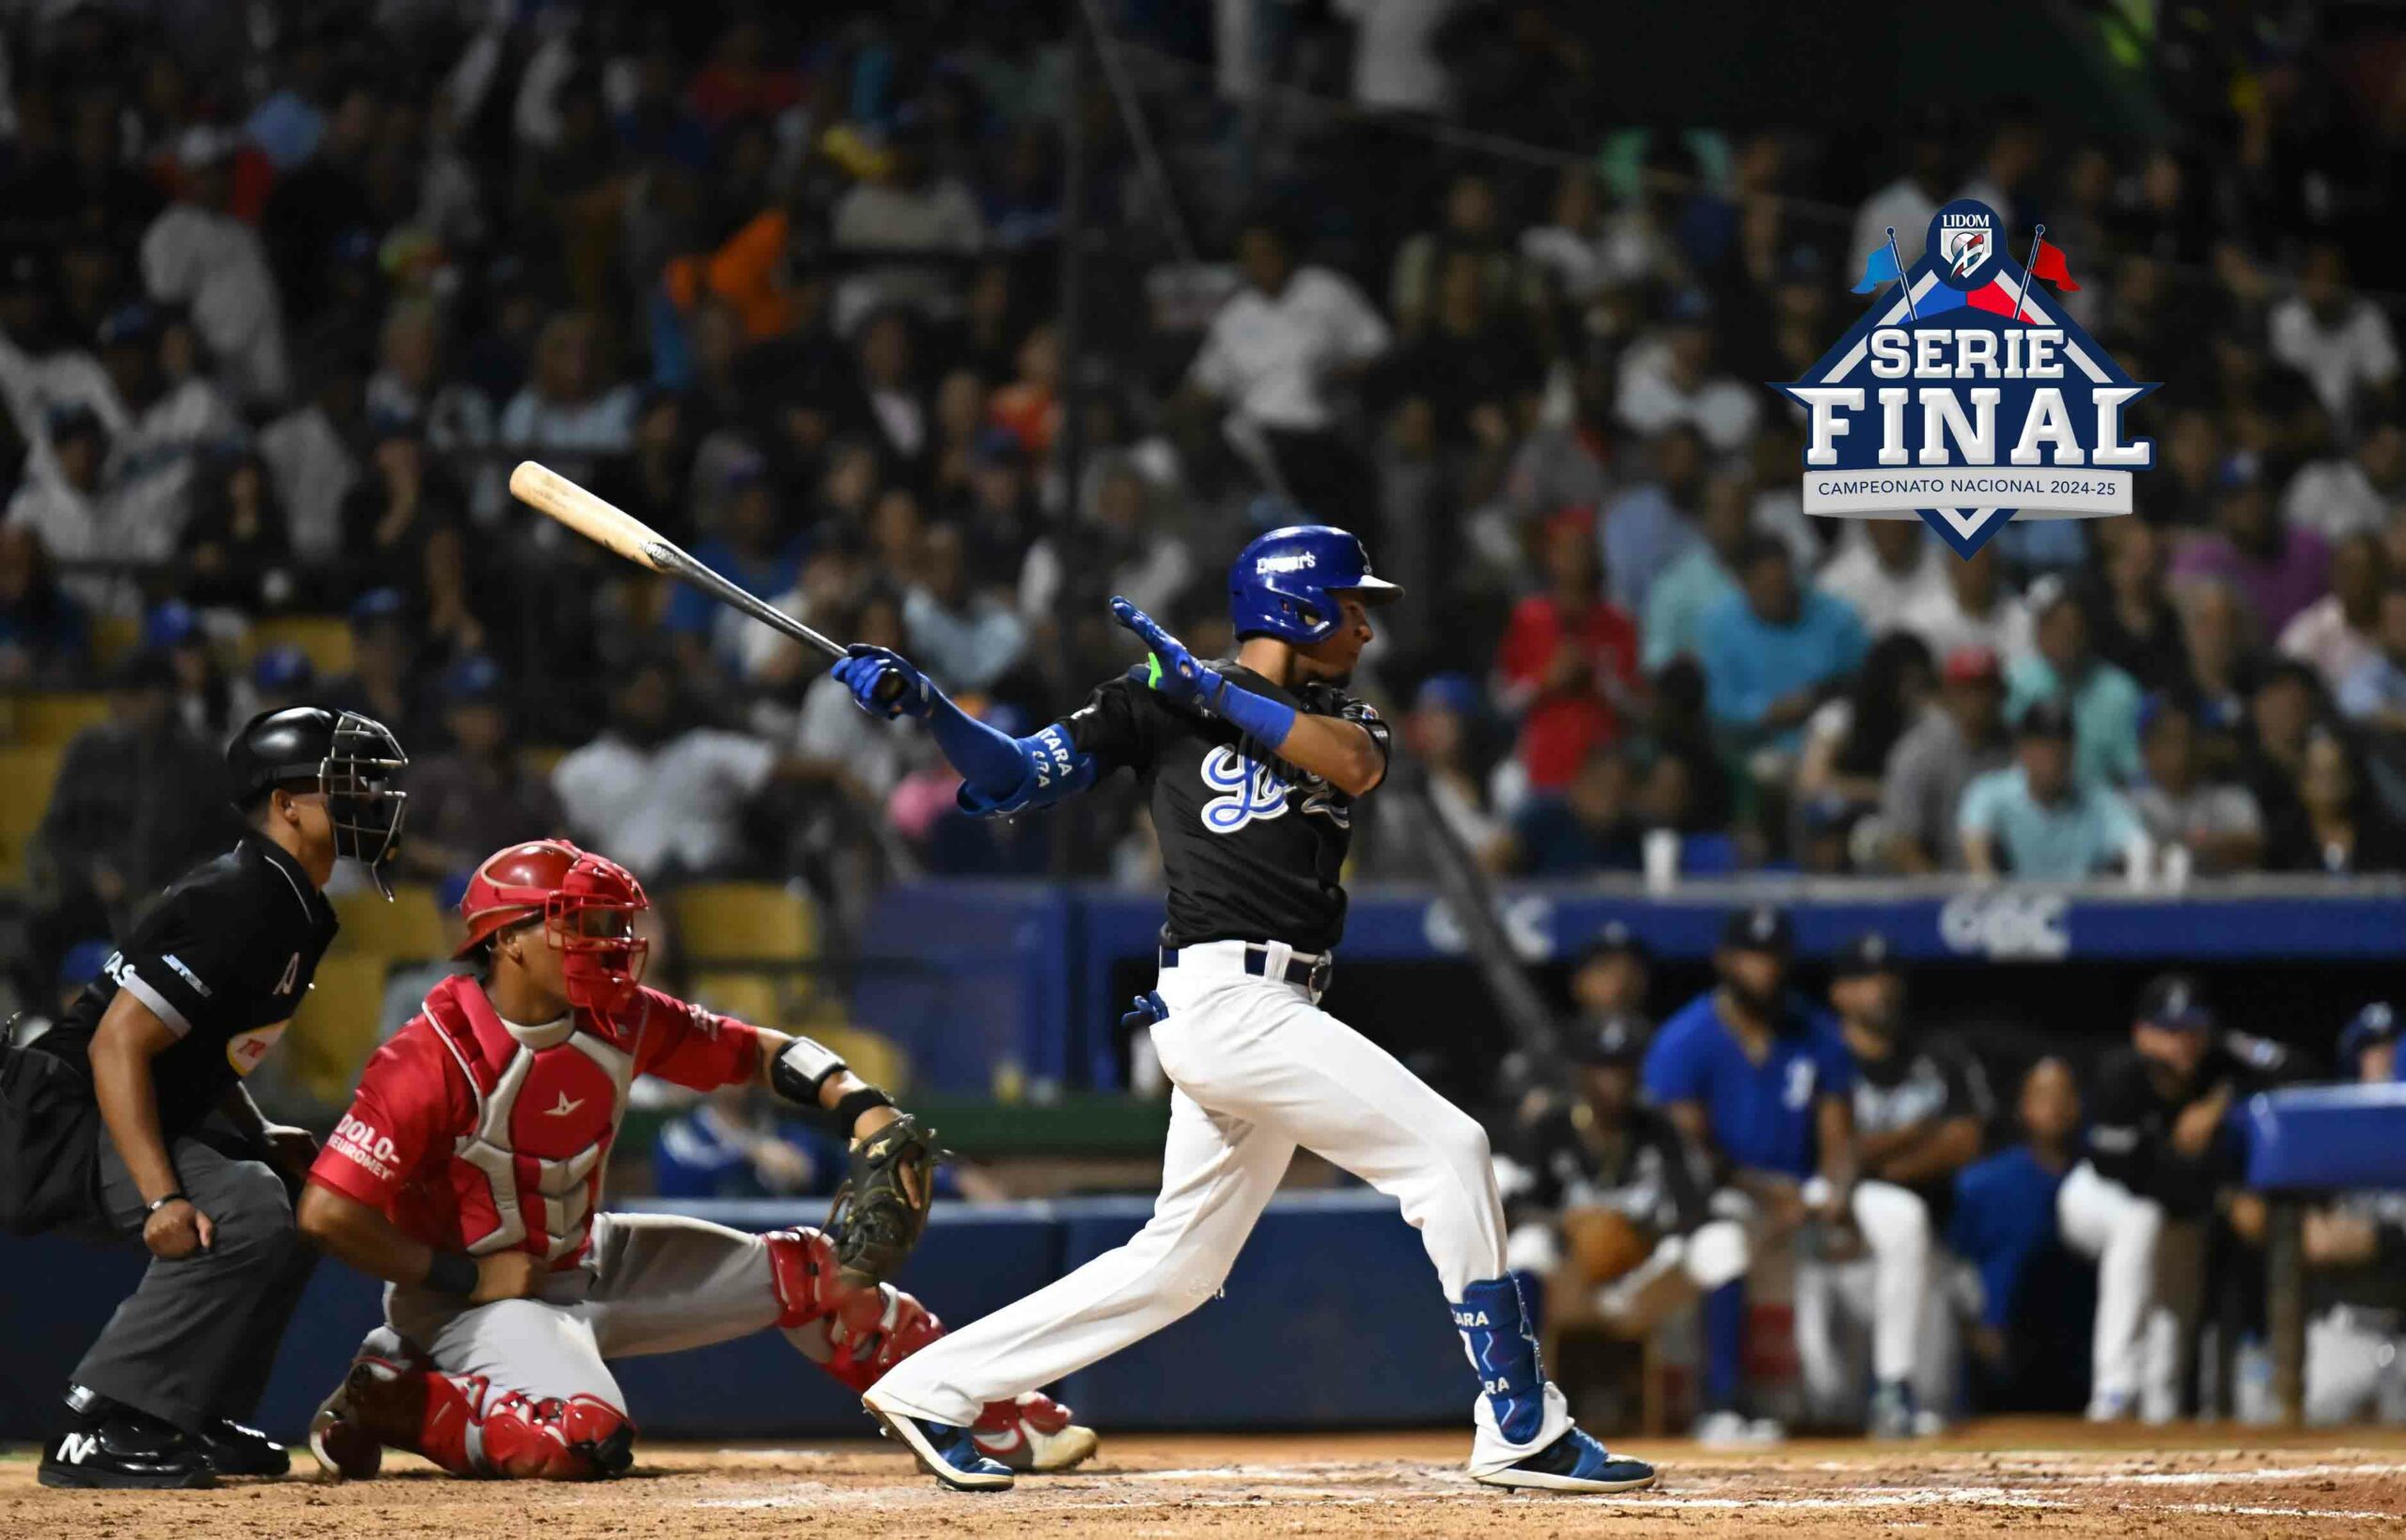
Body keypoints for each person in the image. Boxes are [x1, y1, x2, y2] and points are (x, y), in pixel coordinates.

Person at [829, 524, 1654, 1493]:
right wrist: (930, 707)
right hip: (1225, 998)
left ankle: (935, 1385)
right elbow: (1013, 774)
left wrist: (1213, 690)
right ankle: (1520, 1421)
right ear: (1296, 607)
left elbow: (1353, 766)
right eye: (1350, 606)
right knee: (1451, 1152)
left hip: (1274, 1001)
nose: (1364, 627)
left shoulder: (1343, 713)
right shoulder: (1150, 701)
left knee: (1179, 1266)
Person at [296, 840, 1095, 1482]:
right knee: (583, 1439)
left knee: (820, 1273)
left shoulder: (620, 1017)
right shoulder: (430, 1054)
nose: (607, 942)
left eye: (609, 923)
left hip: (583, 1256)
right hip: (474, 1299)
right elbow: (327, 1212)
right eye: (578, 923)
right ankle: (397, 1396)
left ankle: (974, 1407)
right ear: (505, 939)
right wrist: (466, 1278)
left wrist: (861, 1103)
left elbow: (758, 1051)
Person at [4, 707, 406, 1487]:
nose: (368, 798)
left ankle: (191, 1408)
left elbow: (203, 1043)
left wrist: (259, 1127)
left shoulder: (284, 893)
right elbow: (116, 1044)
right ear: (287, 805)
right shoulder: (242, 894)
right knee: (246, 1202)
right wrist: (162, 1197)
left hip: (117, 1107)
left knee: (299, 1189)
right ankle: (101, 1419)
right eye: (345, 782)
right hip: (63, 1117)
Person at [1643, 905, 1857, 1446]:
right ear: (1725, 960)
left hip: (1800, 1193)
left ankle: (1891, 1393)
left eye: (1773, 956)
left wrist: (1836, 1190)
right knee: (1726, 1239)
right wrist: (1768, 1192)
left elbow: (1839, 1134)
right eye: (1752, 956)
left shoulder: (1815, 1032)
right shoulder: (1687, 1038)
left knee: (1895, 1220)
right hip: (1719, 1197)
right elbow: (1691, 1153)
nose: (1764, 968)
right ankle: (1721, 1403)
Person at [1794, 933, 1988, 1436]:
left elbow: (1964, 1141)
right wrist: (1912, 1134)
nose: (1878, 988)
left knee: (1932, 1409)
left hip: (1924, 1254)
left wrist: (1880, 1168)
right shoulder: (1819, 1056)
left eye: (1886, 976)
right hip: (1833, 1242)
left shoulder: (1937, 1053)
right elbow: (1836, 1152)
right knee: (1829, 1410)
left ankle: (1893, 1390)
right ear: (1838, 993)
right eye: (1863, 978)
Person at [2056, 975, 2254, 1423]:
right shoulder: (2121, 1075)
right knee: (2142, 1219)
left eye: (2192, 1028)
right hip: (2096, 1196)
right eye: (2168, 1029)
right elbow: (2128, 1171)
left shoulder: (2218, 1074)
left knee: (2181, 1260)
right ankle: (2114, 1390)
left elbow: (2291, 1068)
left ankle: (2161, 1406)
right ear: (2142, 1033)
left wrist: (2221, 1100)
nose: (2181, 1041)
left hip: (2173, 1206)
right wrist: (2189, 1163)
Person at [1946, 1058, 2091, 1413]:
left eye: (2064, 1095)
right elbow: (1952, 1269)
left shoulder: (2099, 1184)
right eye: (2042, 1095)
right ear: (2021, 1107)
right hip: (1998, 1355)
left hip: (2080, 1358)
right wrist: (1973, 1332)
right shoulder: (1981, 1184)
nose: (2054, 1106)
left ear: (2079, 1105)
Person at [2301, 1003, 2406, 1425]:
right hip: (2344, 1333)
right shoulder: (2328, 1134)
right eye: (2371, 1048)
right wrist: (2392, 1237)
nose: (2384, 1058)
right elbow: (2317, 1240)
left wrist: (2375, 1238)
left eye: (2393, 1046)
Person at [1958, 700, 2147, 880]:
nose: (2052, 759)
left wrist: (2137, 878)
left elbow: (2137, 845)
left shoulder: (2097, 800)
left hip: (2080, 900)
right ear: (2022, 749)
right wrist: (1985, 882)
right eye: (2042, 747)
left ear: (2073, 751)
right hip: (2011, 900)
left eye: (2060, 749)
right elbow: (1974, 835)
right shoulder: (1992, 791)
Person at [1878, 646, 2011, 873]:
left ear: (2001, 693)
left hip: (2010, 884)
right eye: (1965, 689)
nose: (1976, 699)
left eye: (1985, 688)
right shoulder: (1919, 751)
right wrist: (1938, 888)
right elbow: (1900, 842)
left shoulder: (2018, 749)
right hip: (1936, 883)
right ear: (1947, 694)